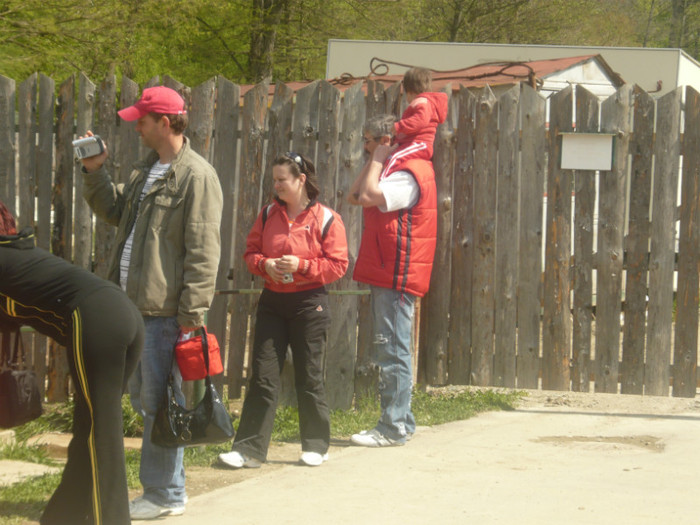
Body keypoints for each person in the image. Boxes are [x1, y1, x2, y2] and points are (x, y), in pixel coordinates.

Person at [79, 86, 223, 520]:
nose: (135, 127)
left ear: (165, 123)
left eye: (141, 120)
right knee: (148, 401)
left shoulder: (196, 177)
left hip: (165, 316)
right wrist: (94, 170)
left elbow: (204, 252)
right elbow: (113, 210)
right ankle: (163, 489)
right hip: (134, 308)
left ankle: (165, 494)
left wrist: (190, 316)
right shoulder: (149, 172)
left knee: (162, 403)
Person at [0, 198, 144, 525]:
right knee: (89, 430)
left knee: (101, 436)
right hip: (121, 314)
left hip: (94, 319)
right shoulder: (15, 250)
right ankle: (61, 518)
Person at [218, 152, 348, 469]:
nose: (275, 185)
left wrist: (303, 265)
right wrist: (266, 265)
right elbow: (250, 253)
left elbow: (339, 265)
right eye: (274, 179)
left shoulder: (327, 218)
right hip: (272, 303)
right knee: (262, 377)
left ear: (301, 180)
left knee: (309, 376)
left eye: (281, 180)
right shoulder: (267, 215)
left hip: (309, 304)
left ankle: (316, 445)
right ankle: (248, 450)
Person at [347, 114, 437, 447]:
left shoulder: (407, 175)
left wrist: (379, 158)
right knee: (390, 346)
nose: (364, 145)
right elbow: (353, 195)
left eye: (369, 139)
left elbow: (367, 197)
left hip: (397, 273)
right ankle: (402, 422)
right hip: (386, 269)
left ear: (386, 141)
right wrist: (376, 160)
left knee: (392, 348)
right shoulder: (390, 169)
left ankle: (393, 426)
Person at [380, 67, 448, 179]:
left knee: (395, 158)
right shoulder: (423, 102)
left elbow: (421, 120)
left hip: (420, 144)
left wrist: (399, 126)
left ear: (410, 91)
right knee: (392, 155)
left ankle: (381, 183)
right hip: (414, 143)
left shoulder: (422, 102)